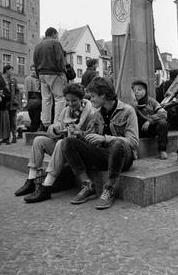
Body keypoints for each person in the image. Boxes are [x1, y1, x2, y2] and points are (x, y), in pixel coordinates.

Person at [45, 76, 139, 210]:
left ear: (104, 95)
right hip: (103, 155)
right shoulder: (97, 114)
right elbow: (90, 137)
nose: (91, 99)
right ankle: (87, 185)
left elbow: (133, 142)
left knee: (117, 143)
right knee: (68, 142)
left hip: (123, 157)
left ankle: (110, 188)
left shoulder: (128, 111)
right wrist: (80, 134)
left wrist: (105, 138)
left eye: (93, 96)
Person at [14, 83, 95, 200]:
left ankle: (46, 187)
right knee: (38, 140)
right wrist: (56, 130)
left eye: (74, 101)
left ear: (82, 99)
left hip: (78, 153)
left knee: (61, 143)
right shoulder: (65, 110)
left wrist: (79, 133)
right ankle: (30, 181)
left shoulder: (92, 113)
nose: (71, 104)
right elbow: (53, 128)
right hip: (62, 148)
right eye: (68, 100)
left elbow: (92, 139)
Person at [33, 27, 67, 131]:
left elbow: (35, 61)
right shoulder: (55, 43)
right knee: (60, 98)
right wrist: (63, 72)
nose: (57, 36)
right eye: (56, 34)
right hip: (54, 73)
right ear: (53, 34)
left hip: (42, 74)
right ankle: (57, 123)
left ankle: (45, 122)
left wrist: (39, 75)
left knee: (46, 99)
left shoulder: (38, 46)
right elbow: (59, 59)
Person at [131, 80, 168, 159]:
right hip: (138, 130)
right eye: (134, 91)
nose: (136, 92)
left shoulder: (152, 102)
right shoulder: (131, 104)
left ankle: (162, 150)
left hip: (150, 129)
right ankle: (132, 151)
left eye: (139, 90)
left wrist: (150, 120)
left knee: (163, 123)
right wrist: (134, 106)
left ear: (145, 91)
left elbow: (163, 113)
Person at [2, 65, 21, 143]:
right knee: (5, 122)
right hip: (5, 104)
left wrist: (15, 98)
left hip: (12, 104)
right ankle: (6, 138)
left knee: (13, 121)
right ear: (6, 70)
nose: (12, 72)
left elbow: (17, 90)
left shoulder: (13, 80)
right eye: (10, 70)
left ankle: (14, 137)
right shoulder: (2, 79)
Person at [24, 65, 42, 132]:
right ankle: (33, 129)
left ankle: (34, 129)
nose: (33, 72)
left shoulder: (39, 78)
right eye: (32, 70)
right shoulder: (28, 78)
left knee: (36, 115)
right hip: (32, 99)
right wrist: (27, 101)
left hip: (38, 99)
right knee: (33, 115)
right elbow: (27, 90)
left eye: (34, 70)